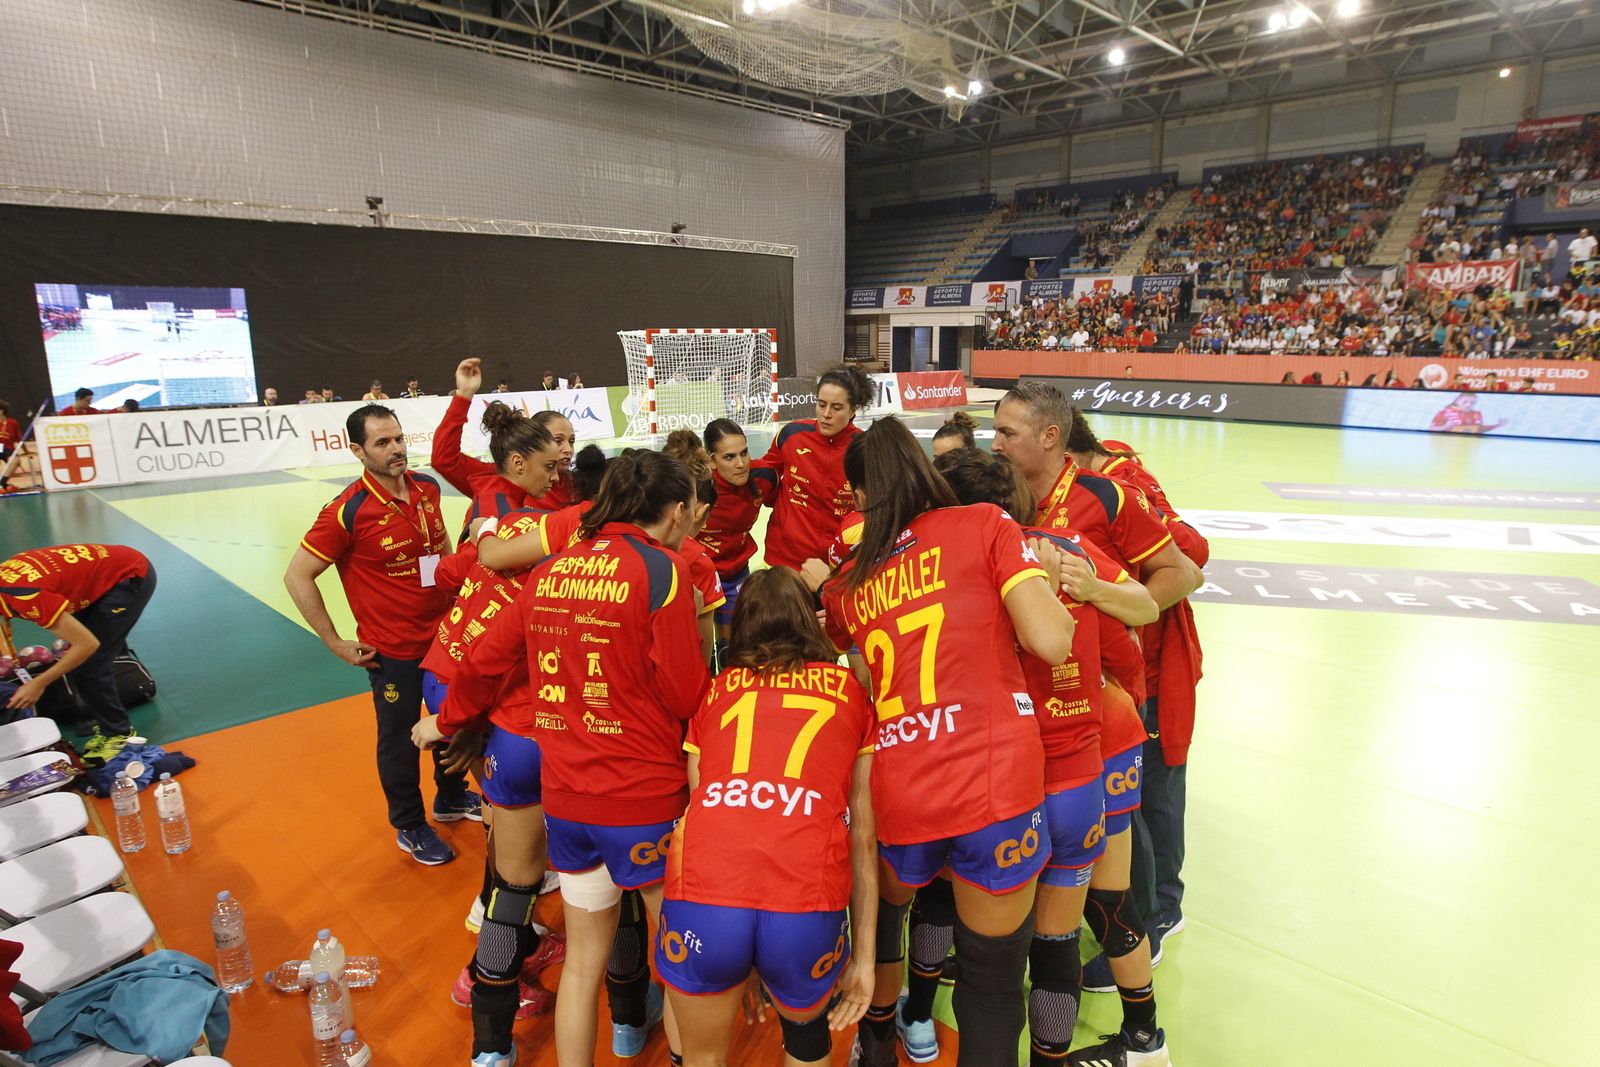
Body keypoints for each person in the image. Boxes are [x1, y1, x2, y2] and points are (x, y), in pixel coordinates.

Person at [818, 417, 1076, 1067]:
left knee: (893, 923)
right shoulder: (984, 523)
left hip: (902, 786)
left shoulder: (848, 582)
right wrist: (1045, 584)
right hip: (995, 782)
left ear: (861, 497)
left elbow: (862, 680)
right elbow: (1052, 642)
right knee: (991, 984)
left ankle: (877, 1048)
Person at [440, 451, 710, 1067]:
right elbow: (684, 693)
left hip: (565, 798)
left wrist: (450, 720)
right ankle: (646, 1038)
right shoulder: (664, 570)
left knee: (584, 962)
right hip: (642, 796)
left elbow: (485, 658)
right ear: (674, 511)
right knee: (677, 962)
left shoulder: (549, 570)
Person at [933, 448, 1167, 1067]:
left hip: (1026, 775)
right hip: (1082, 765)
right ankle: (1106, 1046)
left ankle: (908, 1021)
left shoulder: (960, 567)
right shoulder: (1065, 548)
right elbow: (1135, 626)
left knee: (996, 949)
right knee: (1063, 933)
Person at [655, 567, 878, 1067]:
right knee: (807, 1039)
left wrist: (742, 954)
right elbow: (863, 835)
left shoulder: (716, 691)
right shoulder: (849, 691)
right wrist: (865, 959)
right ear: (808, 620)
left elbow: (700, 802)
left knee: (702, 1056)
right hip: (805, 898)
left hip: (707, 892)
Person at [283, 403, 480, 867]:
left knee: (452, 721)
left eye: (399, 439)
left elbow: (439, 545)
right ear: (358, 450)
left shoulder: (428, 487)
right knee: (399, 740)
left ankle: (451, 796)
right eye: (382, 443)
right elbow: (297, 576)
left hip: (444, 638)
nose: (396, 449)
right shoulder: (347, 511)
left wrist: (457, 595)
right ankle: (410, 824)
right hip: (392, 651)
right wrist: (333, 641)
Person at [0, 543, 156, 738]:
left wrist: (38, 683)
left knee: (91, 663)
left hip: (129, 575)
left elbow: (87, 644)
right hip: (101, 575)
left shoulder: (26, 596)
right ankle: (106, 696)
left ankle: (118, 736)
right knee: (93, 652)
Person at [432, 360, 565, 544]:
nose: (567, 449)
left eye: (571, 441)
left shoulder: (572, 483)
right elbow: (444, 459)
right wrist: (463, 396)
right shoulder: (493, 489)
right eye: (558, 440)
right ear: (518, 462)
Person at [762, 364, 874, 570]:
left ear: (853, 410)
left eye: (836, 407)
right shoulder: (791, 435)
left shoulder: (865, 447)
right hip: (785, 559)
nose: (826, 414)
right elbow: (765, 478)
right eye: (821, 404)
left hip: (840, 563)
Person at [695, 419, 778, 650]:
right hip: (698, 577)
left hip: (736, 574)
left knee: (733, 648)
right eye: (729, 457)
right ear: (711, 460)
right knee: (699, 650)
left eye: (744, 453)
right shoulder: (695, 488)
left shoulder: (764, 477)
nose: (741, 464)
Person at [1430, 392, 1506, 434]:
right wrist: (1445, 427)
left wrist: (1498, 425)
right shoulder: (1444, 413)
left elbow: (1480, 430)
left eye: (1472, 403)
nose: (1468, 405)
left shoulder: (1476, 414)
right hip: (1449, 445)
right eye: (1465, 402)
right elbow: (1431, 429)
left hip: (1471, 446)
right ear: (1457, 401)